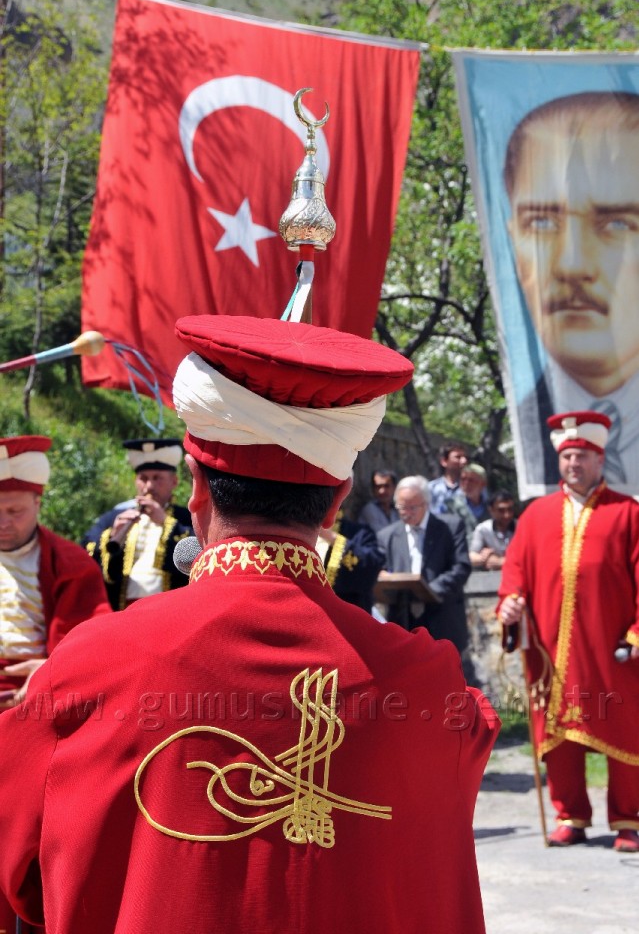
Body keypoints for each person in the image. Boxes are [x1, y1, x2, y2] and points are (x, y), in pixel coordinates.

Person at [0, 315, 499, 934]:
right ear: (338, 501)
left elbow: (19, 868)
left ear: (196, 485)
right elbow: (473, 725)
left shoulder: (92, 663)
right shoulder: (428, 683)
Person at [498, 410, 639, 852]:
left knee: (624, 729)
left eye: (582, 456)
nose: (573, 464)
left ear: (600, 461)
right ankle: (570, 816)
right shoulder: (536, 515)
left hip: (613, 648)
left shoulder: (628, 513)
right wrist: (510, 605)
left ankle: (628, 821)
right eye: (567, 456)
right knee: (557, 733)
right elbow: (514, 574)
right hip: (551, 650)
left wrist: (635, 634)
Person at [0, 434, 111, 934]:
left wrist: (48, 669)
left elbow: (90, 643)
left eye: (15, 511)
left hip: (34, 709)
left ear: (38, 503)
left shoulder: (71, 563)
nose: (3, 522)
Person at [504, 90, 639, 488]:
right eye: (542, 224)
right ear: (513, 239)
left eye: (618, 224)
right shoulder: (528, 420)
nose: (573, 264)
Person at [82, 438, 194, 609]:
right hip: (124, 610)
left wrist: (166, 523)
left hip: (171, 608)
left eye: (157, 478)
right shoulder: (114, 517)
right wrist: (113, 536)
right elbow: (86, 551)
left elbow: (198, 550)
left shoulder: (187, 517)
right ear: (136, 481)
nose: (149, 486)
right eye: (143, 478)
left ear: (174, 482)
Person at [377, 475, 471, 656]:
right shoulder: (386, 536)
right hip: (402, 622)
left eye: (412, 507)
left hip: (443, 619)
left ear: (426, 504)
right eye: (401, 507)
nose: (406, 512)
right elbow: (380, 570)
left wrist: (427, 590)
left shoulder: (450, 527)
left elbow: (461, 567)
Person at [316, 510, 384, 613]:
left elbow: (372, 565)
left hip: (347, 611)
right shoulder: (296, 531)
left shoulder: (359, 532)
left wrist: (333, 539)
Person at [469, 490, 517, 570]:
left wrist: (501, 562)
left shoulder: (521, 527)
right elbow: (471, 556)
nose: (507, 515)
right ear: (491, 510)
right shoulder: (483, 529)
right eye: (501, 510)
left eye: (510, 509)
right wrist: (484, 558)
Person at [428, 442, 468, 515]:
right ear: (444, 461)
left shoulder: (472, 489)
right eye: (458, 457)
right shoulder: (431, 488)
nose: (464, 461)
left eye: (465, 457)